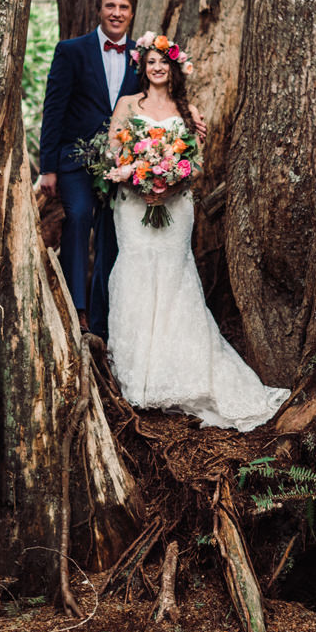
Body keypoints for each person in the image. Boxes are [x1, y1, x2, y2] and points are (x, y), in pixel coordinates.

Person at [104, 37, 289, 431]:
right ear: (144, 67)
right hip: (134, 207)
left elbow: (195, 163)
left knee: (174, 280)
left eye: (163, 62)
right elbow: (113, 153)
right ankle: (136, 376)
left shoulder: (188, 111)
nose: (157, 68)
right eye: (151, 62)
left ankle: (179, 374)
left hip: (174, 205)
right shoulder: (126, 106)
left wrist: (168, 183)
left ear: (173, 68)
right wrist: (140, 178)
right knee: (136, 273)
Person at [38, 0, 142, 337]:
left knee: (113, 234)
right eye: (110, 6)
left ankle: (104, 318)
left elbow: (159, 98)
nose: (116, 13)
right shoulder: (72, 50)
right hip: (75, 159)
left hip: (123, 164)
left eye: (123, 7)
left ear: (131, 12)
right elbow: (54, 110)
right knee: (79, 217)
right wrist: (48, 167)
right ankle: (76, 310)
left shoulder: (142, 57)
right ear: (99, 9)